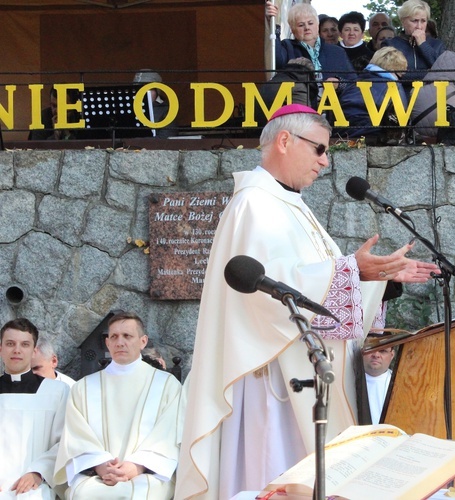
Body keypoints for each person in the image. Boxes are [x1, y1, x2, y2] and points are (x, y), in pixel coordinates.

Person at [175, 104, 440, 498]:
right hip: (273, 382)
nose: (324, 160)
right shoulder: (254, 204)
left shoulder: (292, 207)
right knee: (275, 476)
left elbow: (315, 280)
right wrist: (354, 270)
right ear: (285, 140)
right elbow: (267, 293)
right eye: (319, 149)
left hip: (301, 373)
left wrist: (379, 278)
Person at [53, 311, 183, 499]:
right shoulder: (84, 387)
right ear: (107, 343)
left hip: (147, 473)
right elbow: (76, 437)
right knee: (84, 494)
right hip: (98, 474)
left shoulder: (167, 385)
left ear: (143, 341)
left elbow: (168, 435)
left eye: (127, 336)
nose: (120, 342)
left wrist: (136, 466)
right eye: (114, 336)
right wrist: (100, 465)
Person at [0, 318, 69, 500]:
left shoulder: (57, 392)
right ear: (0, 349)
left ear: (33, 350)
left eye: (24, 344)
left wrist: (39, 472)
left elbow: (65, 442)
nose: (17, 350)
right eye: (10, 344)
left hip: (36, 486)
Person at [266, 3, 355, 89]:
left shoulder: (337, 51)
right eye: (301, 25)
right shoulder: (287, 46)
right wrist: (271, 24)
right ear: (293, 30)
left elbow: (353, 82)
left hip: (333, 102)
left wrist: (339, 84)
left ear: (317, 25)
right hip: (299, 101)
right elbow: (276, 61)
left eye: (310, 23)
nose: (307, 28)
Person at [337, 47, 408, 140]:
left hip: (341, 133)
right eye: (401, 75)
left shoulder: (354, 83)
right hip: (371, 134)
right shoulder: (394, 86)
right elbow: (402, 118)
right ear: (396, 70)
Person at [383, 0, 446, 85]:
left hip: (430, 95)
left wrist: (423, 44)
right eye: (414, 21)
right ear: (403, 21)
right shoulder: (390, 45)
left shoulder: (437, 45)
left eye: (423, 21)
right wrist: (429, 75)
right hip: (399, 95)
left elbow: (442, 72)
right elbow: (389, 75)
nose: (419, 26)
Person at [132, 70, 177, 138]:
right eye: (140, 89)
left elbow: (166, 137)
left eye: (149, 89)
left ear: (157, 91)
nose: (144, 93)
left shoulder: (167, 110)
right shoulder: (130, 108)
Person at [362, 342, 395, 424]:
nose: (376, 355)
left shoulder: (400, 384)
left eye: (383, 351)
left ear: (392, 355)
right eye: (370, 349)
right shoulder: (346, 382)